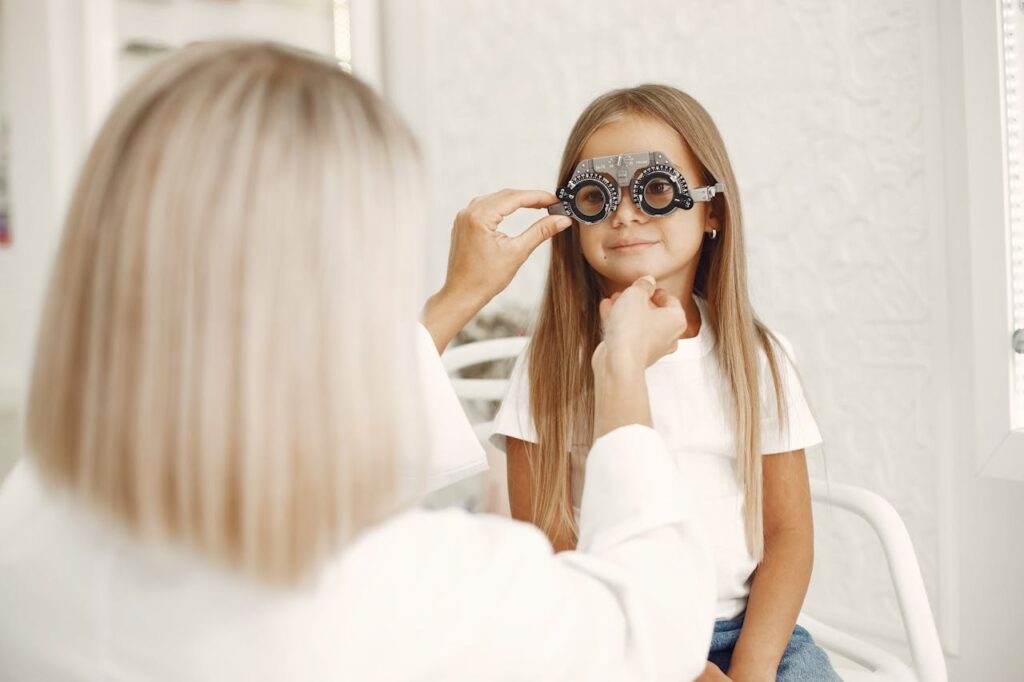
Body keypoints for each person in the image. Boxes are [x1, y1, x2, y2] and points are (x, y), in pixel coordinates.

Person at [0, 42, 716, 681]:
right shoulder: (410, 593)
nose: (627, 214)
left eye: (655, 192)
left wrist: (454, 299)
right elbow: (643, 632)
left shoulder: (27, 518)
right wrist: (620, 375)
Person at [491, 85, 841, 681]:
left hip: (745, 634)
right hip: (611, 631)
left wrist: (751, 670)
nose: (626, 214)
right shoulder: (549, 364)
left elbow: (789, 536)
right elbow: (548, 538)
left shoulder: (758, 357)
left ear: (712, 211)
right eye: (597, 194)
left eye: (655, 188)